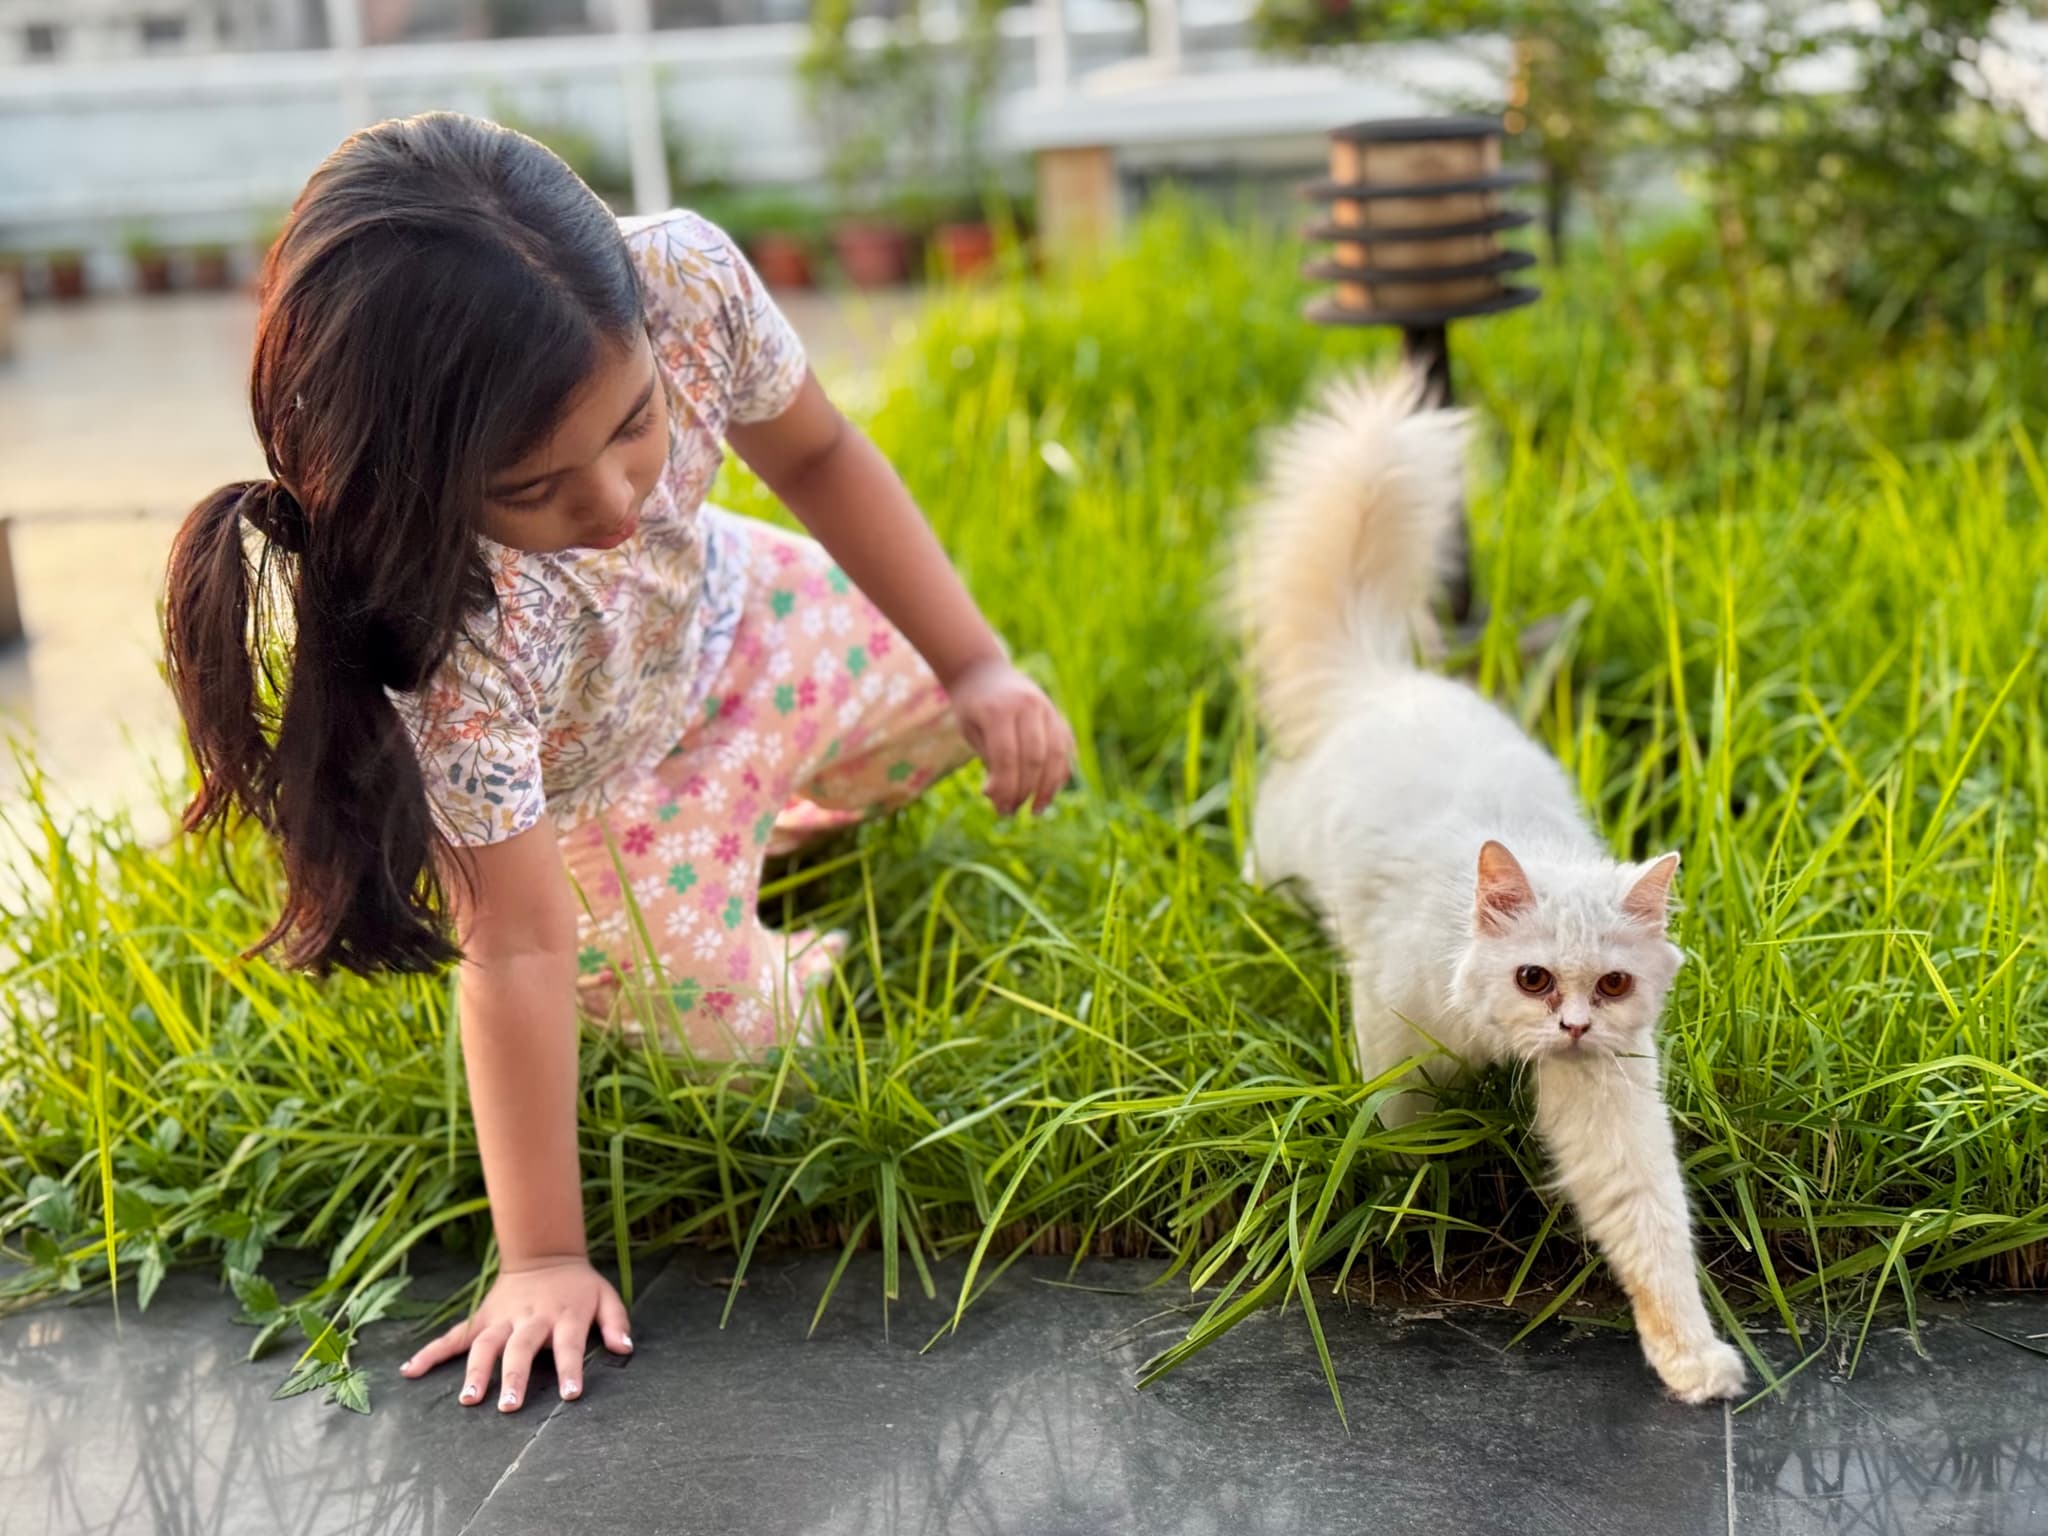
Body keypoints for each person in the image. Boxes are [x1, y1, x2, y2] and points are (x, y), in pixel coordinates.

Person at [163, 112, 1073, 1415]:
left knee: (956, 711)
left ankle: (770, 814)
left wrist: (980, 664)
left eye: (634, 424)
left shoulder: (689, 280)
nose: (618, 500)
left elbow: (815, 453)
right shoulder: (447, 640)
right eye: (536, 489)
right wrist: (542, 1256)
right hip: (604, 796)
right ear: (417, 485)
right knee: (741, 1038)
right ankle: (740, 898)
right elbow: (516, 944)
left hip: (731, 629)